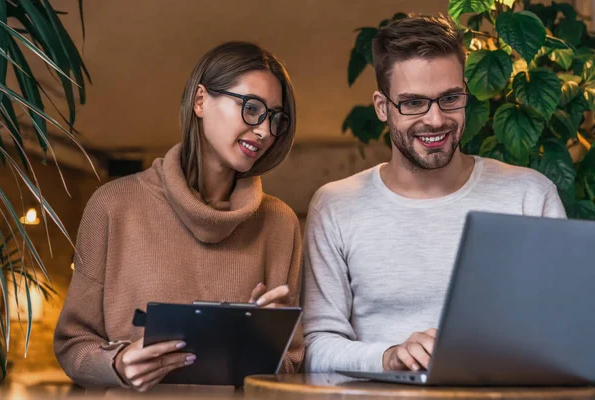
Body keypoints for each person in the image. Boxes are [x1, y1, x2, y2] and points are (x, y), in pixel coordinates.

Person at [302, 15, 566, 374]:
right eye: (413, 103)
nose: (436, 120)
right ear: (382, 107)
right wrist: (390, 357)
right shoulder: (335, 205)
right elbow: (316, 347)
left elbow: (565, 331)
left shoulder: (529, 195)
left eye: (450, 99)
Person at [54, 41, 303, 392]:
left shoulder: (281, 224)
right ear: (200, 100)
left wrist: (264, 343)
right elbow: (72, 345)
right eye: (251, 108)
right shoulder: (113, 205)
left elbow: (293, 362)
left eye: (275, 118)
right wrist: (118, 364)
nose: (264, 131)